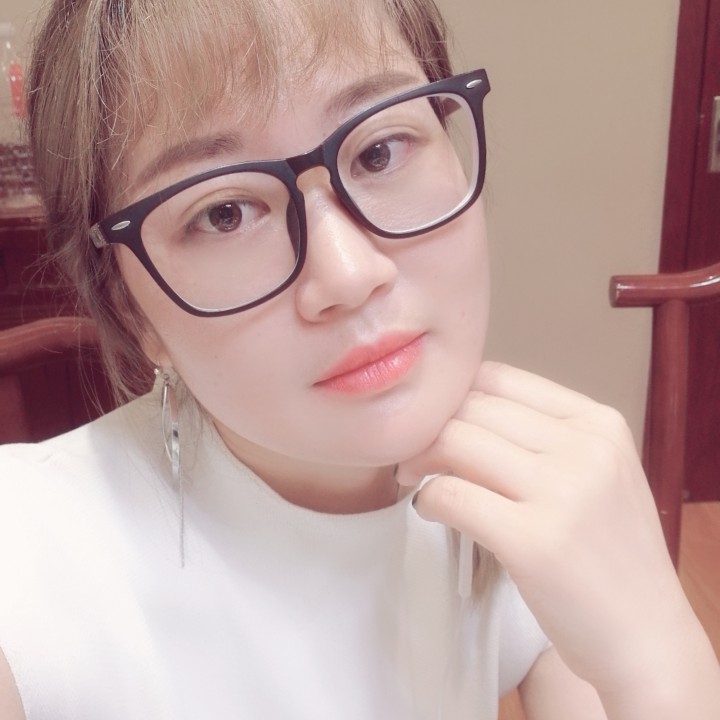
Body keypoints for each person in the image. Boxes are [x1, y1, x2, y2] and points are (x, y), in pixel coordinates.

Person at [0, 0, 718, 717]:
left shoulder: (521, 504)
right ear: (130, 311)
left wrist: (657, 659)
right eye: (223, 213)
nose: (348, 273)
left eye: (380, 150)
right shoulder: (27, 564)